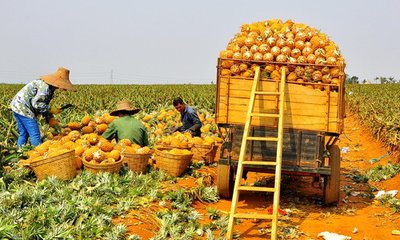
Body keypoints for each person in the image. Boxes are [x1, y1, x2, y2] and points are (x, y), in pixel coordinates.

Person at [10, 67, 74, 147]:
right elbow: (37, 104)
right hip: (24, 108)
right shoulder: (45, 87)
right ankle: (37, 154)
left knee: (24, 133)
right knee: (35, 134)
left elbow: (43, 105)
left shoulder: (49, 87)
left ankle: (19, 151)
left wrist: (49, 117)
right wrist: (51, 109)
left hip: (16, 106)